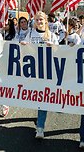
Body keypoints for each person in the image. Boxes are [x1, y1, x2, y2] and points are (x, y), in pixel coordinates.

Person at [20, 11, 59, 139]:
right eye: (37, 20)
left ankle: (40, 126)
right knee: (38, 98)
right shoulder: (30, 34)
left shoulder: (52, 35)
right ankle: (40, 125)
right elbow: (22, 48)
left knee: (44, 98)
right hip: (33, 72)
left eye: (41, 19)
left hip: (48, 72)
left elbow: (60, 53)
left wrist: (53, 47)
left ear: (46, 21)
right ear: (34, 21)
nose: (39, 22)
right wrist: (23, 45)